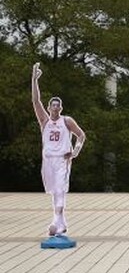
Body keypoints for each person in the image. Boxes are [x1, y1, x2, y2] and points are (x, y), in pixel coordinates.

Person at [31, 63, 86, 237]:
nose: (55, 107)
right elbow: (35, 100)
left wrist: (75, 151)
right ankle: (61, 223)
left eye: (58, 105)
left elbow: (81, 136)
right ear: (49, 108)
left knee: (60, 188)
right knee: (54, 190)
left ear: (60, 108)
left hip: (62, 159)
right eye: (52, 105)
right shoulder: (44, 122)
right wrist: (34, 79)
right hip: (48, 161)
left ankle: (56, 220)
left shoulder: (67, 121)